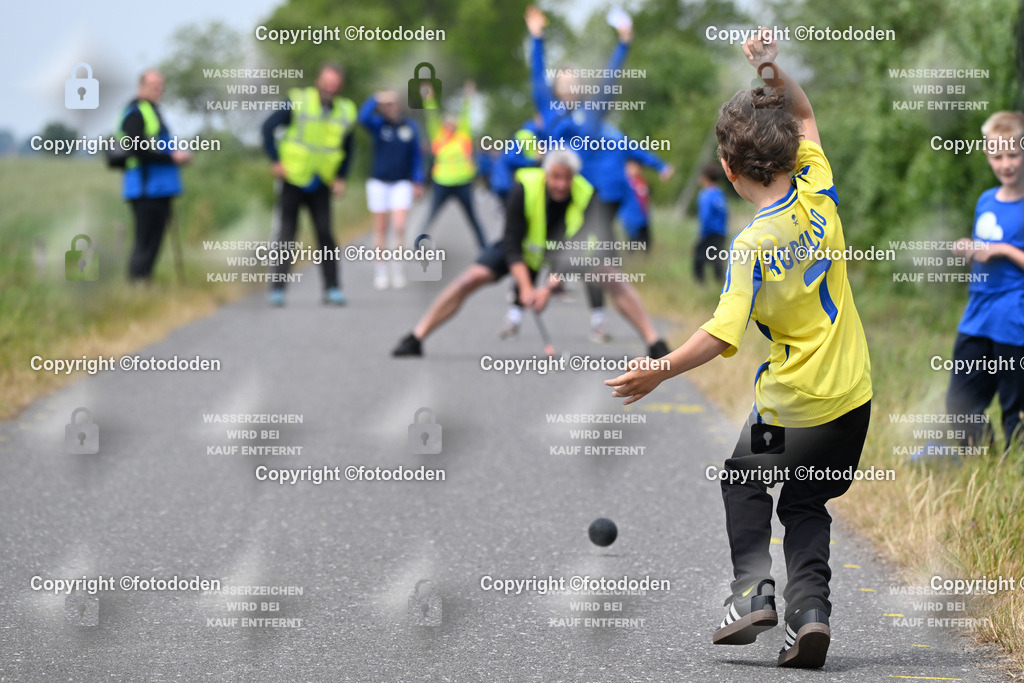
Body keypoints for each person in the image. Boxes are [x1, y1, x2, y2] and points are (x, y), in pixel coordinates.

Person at [605, 30, 872, 669]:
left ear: (727, 171)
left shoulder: (750, 246)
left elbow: (722, 333)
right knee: (806, 503)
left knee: (743, 479)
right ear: (792, 152)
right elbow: (804, 113)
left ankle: (752, 591)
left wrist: (660, 369)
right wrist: (770, 68)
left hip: (789, 407)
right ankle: (810, 614)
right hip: (852, 398)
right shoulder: (818, 190)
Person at [392, 149, 670, 358]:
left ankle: (654, 343)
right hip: (523, 248)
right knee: (470, 279)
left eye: (567, 178)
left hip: (565, 253)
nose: (561, 184)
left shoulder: (588, 195)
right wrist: (526, 289)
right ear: (546, 174)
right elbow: (511, 243)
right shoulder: (524, 186)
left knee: (612, 278)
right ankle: (416, 337)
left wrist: (546, 290)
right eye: (556, 177)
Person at [944, 111, 1024, 453]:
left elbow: (999, 248)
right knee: (959, 402)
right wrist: (970, 249)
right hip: (978, 315)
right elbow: (983, 248)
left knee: (1015, 411)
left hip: (1014, 320)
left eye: (1013, 154)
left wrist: (1003, 250)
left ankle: (1013, 471)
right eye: (997, 156)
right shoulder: (986, 200)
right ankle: (983, 461)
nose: (1005, 164)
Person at [261, 63, 356, 306]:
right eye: (327, 82)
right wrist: (275, 160)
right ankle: (278, 289)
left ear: (340, 86)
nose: (330, 87)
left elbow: (348, 148)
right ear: (318, 81)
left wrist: (341, 176)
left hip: (321, 181)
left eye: (334, 84)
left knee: (325, 234)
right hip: (293, 178)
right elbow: (267, 127)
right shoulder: (298, 101)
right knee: (286, 234)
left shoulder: (345, 111)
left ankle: (332, 288)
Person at [117, 70, 191, 281]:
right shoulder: (135, 113)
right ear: (141, 87)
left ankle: (145, 284)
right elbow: (137, 149)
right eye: (153, 86)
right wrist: (172, 158)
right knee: (144, 241)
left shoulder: (154, 111)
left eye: (161, 86)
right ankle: (137, 285)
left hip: (160, 187)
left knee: (154, 241)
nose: (158, 90)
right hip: (145, 187)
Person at [358, 89, 425, 290]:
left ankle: (397, 267)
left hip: (401, 182)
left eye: (393, 103)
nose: (390, 107)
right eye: (386, 104)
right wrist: (375, 98)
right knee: (380, 228)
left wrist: (418, 180)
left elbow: (416, 155)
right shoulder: (378, 125)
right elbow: (362, 118)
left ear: (399, 105)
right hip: (379, 182)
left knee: (399, 226)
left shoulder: (409, 127)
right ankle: (381, 270)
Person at [419, 81, 487, 249]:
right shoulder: (438, 136)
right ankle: (418, 244)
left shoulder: (463, 136)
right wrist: (428, 99)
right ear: (444, 125)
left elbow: (466, 114)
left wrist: (468, 96)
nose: (450, 126)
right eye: (447, 123)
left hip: (463, 183)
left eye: (453, 123)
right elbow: (431, 116)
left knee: (473, 218)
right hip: (442, 183)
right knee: (430, 215)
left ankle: (484, 248)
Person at [694, 162, 729, 283]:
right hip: (721, 232)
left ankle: (700, 284)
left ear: (705, 177)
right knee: (717, 259)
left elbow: (705, 217)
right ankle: (721, 284)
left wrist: (702, 234)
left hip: (709, 232)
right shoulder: (720, 193)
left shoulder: (705, 195)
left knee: (698, 258)